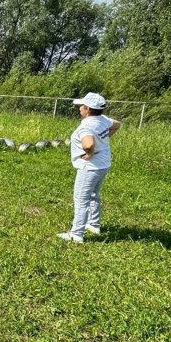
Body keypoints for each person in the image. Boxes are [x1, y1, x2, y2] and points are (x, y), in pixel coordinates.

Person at [57, 92, 122, 243]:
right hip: (103, 164)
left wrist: (90, 152)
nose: (80, 108)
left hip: (90, 167)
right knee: (93, 194)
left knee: (81, 199)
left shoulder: (86, 126)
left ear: (87, 109)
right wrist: (102, 140)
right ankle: (93, 224)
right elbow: (117, 124)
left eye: (82, 106)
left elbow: (88, 144)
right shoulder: (103, 120)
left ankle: (76, 234)